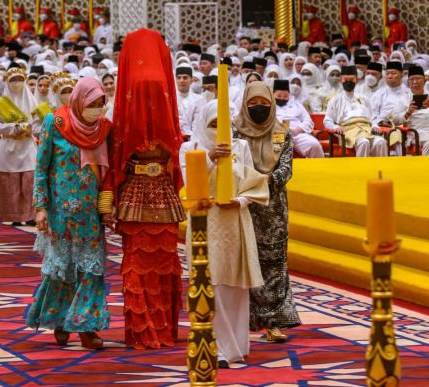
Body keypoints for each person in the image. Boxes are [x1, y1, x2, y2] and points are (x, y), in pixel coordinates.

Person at [101, 29, 185, 349]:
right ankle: (150, 329)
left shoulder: (126, 102)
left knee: (153, 259)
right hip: (151, 190)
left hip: (146, 189)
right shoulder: (125, 109)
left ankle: (153, 329)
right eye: (141, 87)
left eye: (155, 87)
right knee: (145, 259)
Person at [26, 77, 112, 349]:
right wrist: (40, 207)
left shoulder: (104, 129)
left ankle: (87, 326)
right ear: (78, 100)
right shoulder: (56, 123)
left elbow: (110, 171)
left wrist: (108, 206)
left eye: (101, 104)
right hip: (59, 211)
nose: (96, 109)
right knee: (62, 270)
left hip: (90, 212)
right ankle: (61, 319)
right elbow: (41, 168)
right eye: (92, 103)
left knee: (91, 269)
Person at [180, 101, 266, 368]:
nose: (219, 131)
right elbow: (189, 184)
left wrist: (239, 201)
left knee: (235, 284)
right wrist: (210, 159)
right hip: (206, 222)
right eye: (213, 124)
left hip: (235, 221)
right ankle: (214, 346)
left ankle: (236, 345)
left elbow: (255, 184)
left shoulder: (240, 147)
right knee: (211, 282)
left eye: (223, 124)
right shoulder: (191, 148)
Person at [233, 81, 302, 342]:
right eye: (253, 105)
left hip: (273, 210)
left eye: (264, 104)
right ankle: (244, 322)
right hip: (243, 206)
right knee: (244, 263)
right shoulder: (235, 132)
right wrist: (249, 184)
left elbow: (286, 170)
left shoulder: (282, 133)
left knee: (274, 264)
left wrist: (261, 182)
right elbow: (232, 165)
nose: (259, 109)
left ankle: (274, 323)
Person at [0, 67, 38, 224]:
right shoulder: (0, 103)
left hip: (27, 145)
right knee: (11, 183)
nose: (16, 83)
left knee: (29, 181)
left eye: (19, 79)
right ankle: (13, 216)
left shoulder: (32, 100)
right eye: (13, 80)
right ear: (7, 83)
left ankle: (30, 215)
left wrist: (29, 128)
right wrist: (13, 128)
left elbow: (39, 121)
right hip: (8, 145)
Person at [324, 66, 389, 157]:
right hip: (347, 130)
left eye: (351, 79)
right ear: (340, 80)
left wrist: (374, 125)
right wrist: (335, 127)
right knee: (364, 142)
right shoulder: (335, 100)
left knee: (381, 142)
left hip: (366, 128)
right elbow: (327, 120)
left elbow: (373, 117)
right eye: (345, 79)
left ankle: (380, 170)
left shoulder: (364, 98)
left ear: (357, 80)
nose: (348, 81)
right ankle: (361, 170)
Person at [272, 80, 324, 158]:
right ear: (273, 94)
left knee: (314, 144)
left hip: (297, 134)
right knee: (276, 150)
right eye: (279, 96)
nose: (282, 98)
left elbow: (308, 120)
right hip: (277, 134)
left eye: (285, 96)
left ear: (289, 94)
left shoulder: (297, 105)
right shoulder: (269, 105)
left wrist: (299, 129)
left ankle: (318, 169)